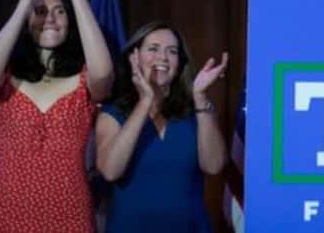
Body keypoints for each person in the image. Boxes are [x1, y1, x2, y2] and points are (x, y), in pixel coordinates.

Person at [0, 0, 114, 232]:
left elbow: (104, 75)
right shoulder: (5, 79)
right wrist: (24, 4)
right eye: (40, 11)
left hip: (68, 217)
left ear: (70, 21)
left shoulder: (84, 83)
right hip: (4, 218)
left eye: (59, 11)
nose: (49, 18)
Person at [94, 21, 227, 233]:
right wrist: (145, 100)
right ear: (134, 57)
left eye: (172, 51)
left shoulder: (197, 111)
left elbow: (213, 166)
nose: (163, 58)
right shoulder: (113, 114)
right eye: (153, 49)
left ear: (180, 63)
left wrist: (200, 98)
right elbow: (110, 171)